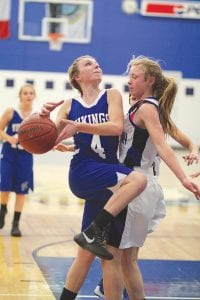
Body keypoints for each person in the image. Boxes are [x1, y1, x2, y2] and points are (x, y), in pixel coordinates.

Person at [43, 55, 200, 300]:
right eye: (88, 64)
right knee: (120, 257)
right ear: (76, 77)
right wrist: (55, 128)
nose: (129, 81)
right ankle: (103, 279)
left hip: (127, 181)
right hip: (114, 179)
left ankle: (100, 278)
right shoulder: (135, 106)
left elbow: (154, 142)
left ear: (149, 81)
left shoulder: (133, 103)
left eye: (134, 77)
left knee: (110, 256)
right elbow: (67, 138)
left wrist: (183, 176)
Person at [40, 55, 148, 298]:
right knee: (139, 180)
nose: (96, 64)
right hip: (84, 171)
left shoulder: (111, 95)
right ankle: (93, 230)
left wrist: (78, 127)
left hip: (110, 181)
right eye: (88, 64)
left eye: (97, 62)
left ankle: (91, 237)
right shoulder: (69, 105)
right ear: (77, 77)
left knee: (103, 254)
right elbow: (46, 142)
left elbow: (116, 127)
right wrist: (43, 119)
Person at [94, 94, 199, 299]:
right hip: (139, 182)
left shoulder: (149, 113)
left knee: (119, 256)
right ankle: (106, 285)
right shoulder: (135, 115)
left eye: (134, 77)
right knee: (126, 255)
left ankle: (107, 287)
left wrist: (189, 163)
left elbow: (172, 144)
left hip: (137, 183)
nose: (130, 92)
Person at [0, 84, 36, 237]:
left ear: (34, 96)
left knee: (22, 191)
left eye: (31, 93)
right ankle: (2, 211)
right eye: (25, 93)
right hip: (8, 154)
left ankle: (16, 224)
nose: (28, 95)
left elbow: (40, 138)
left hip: (25, 156)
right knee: (4, 188)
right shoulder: (11, 111)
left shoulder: (37, 116)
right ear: (20, 96)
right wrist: (9, 138)